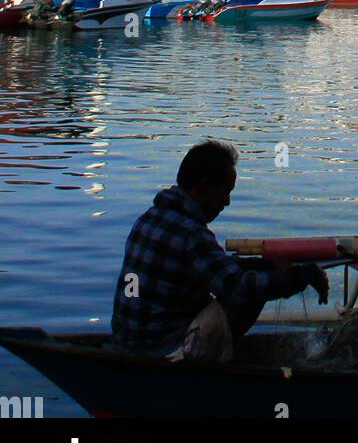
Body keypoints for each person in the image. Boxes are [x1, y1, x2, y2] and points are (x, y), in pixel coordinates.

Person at [112, 140, 328, 363]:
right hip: (163, 350)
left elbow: (211, 266)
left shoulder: (147, 219)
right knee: (248, 294)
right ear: (206, 186)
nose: (227, 202)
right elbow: (237, 287)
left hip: (127, 340)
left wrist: (264, 265)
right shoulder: (192, 234)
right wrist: (301, 277)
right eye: (225, 192)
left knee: (248, 280)